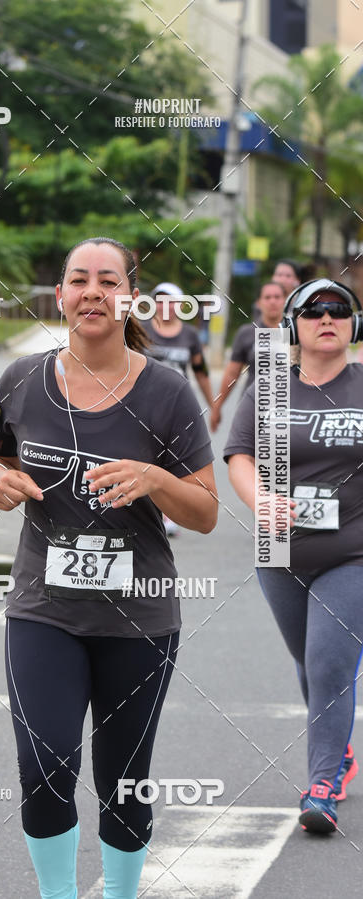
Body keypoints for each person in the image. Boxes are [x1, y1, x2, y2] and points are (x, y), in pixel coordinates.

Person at [0, 237, 217, 897]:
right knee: (45, 763)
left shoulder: (166, 392)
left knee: (124, 777)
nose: (92, 291)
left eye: (107, 280)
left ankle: (118, 892)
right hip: (41, 610)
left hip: (138, 618)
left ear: (127, 296)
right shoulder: (20, 378)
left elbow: (205, 512)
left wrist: (152, 478)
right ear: (60, 295)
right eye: (78, 279)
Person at [224, 278, 363, 834]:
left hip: (351, 551)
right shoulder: (269, 387)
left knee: (331, 663)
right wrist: (261, 500)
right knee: (310, 661)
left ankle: (322, 785)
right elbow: (238, 455)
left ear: (355, 324)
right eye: (313, 311)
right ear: (293, 326)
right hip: (278, 548)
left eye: (340, 310)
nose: (327, 318)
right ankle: (341, 751)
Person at [143, 282, 213, 537]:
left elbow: (201, 371)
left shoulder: (190, 336)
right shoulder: (141, 330)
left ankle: (168, 514)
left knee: (173, 464)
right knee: (147, 460)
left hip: (178, 409)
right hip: (144, 405)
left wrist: (214, 405)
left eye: (170, 301)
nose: (164, 306)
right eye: (159, 301)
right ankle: (148, 513)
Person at [209, 280, 285, 433]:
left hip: (288, 409)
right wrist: (217, 406)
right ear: (259, 303)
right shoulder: (247, 333)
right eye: (267, 297)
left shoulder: (298, 332)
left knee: (280, 455)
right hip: (252, 408)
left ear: (285, 300)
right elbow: (232, 374)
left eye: (277, 297)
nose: (272, 301)